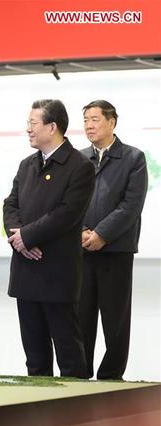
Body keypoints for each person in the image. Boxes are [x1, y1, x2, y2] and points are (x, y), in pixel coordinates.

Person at [3, 99, 94, 378]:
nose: (28, 129)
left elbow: (66, 214)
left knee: (68, 351)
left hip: (57, 271)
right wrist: (18, 238)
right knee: (34, 354)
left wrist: (27, 236)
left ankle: (76, 410)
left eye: (33, 124)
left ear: (52, 127)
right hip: (26, 269)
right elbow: (10, 205)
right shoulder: (26, 164)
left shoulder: (79, 166)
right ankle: (39, 410)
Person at [78, 100, 148, 380]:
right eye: (85, 121)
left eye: (95, 119)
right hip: (81, 251)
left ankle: (111, 375)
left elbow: (131, 205)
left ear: (112, 122)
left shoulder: (133, 158)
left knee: (115, 317)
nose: (89, 126)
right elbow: (68, 203)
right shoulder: (78, 159)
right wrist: (82, 231)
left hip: (116, 250)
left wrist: (102, 234)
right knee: (80, 316)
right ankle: (79, 373)